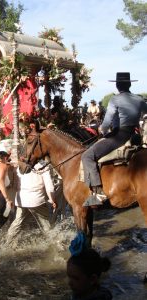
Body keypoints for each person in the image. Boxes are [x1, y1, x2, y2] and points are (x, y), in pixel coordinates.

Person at [82, 72, 147, 206]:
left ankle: (98, 193)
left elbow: (106, 124)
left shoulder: (115, 100)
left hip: (119, 137)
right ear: (129, 84)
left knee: (87, 156)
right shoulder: (140, 99)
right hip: (135, 136)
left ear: (117, 86)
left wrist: (101, 130)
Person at [6, 161, 57, 241]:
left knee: (17, 222)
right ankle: (55, 243)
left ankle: (6, 242)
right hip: (36, 200)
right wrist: (52, 200)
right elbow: (49, 186)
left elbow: (14, 184)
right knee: (45, 223)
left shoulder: (20, 165)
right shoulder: (43, 166)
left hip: (21, 200)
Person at [67, 232, 112, 300]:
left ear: (92, 279)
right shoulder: (80, 293)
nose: (70, 283)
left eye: (75, 278)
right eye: (69, 276)